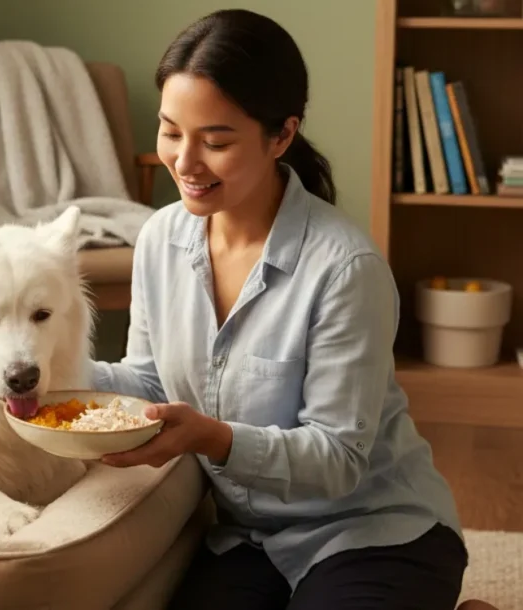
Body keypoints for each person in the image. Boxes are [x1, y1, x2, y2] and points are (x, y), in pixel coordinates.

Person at [88, 9, 468, 610]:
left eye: (215, 141)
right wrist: (44, 375)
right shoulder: (160, 240)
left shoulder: (346, 269)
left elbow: (339, 460)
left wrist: (215, 438)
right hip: (247, 538)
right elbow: (149, 379)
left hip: (373, 530)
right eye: (169, 131)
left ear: (282, 135)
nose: (184, 162)